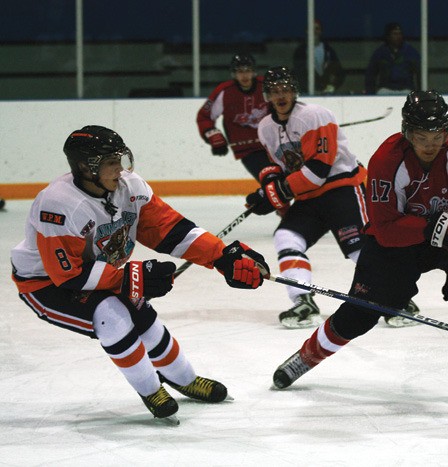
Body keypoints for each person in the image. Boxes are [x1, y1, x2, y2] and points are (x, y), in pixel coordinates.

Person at [272, 90, 448, 403]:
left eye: (437, 135)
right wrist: (429, 228)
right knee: (360, 313)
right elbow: (385, 228)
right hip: (395, 244)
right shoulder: (386, 159)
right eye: (421, 137)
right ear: (407, 134)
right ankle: (306, 357)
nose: (430, 144)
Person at [10, 125, 269, 420]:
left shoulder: (129, 188)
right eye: (110, 163)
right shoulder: (58, 204)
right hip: (45, 284)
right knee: (110, 314)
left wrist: (221, 257)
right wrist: (131, 277)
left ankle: (184, 379)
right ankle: (150, 389)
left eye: (120, 160)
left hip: (98, 273)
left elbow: (171, 231)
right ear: (85, 167)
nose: (119, 169)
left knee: (141, 312)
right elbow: (67, 275)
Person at [245, 66, 419, 329]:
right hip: (309, 197)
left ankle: (398, 300)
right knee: (286, 237)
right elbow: (278, 167)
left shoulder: (315, 116)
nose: (281, 95)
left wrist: (277, 193)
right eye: (275, 90)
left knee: (359, 249)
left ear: (295, 91)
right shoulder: (265, 127)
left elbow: (318, 170)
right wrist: (267, 188)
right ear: (267, 95)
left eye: (286, 89)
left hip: (342, 188)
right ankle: (302, 300)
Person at [196, 53, 271, 181]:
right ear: (234, 74)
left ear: (254, 72)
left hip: (274, 145)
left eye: (248, 70)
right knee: (271, 182)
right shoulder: (225, 92)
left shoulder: (266, 86)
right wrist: (211, 133)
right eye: (240, 71)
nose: (244, 75)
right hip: (249, 151)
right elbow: (204, 117)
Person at [364, 22, 420, 95]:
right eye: (395, 34)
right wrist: (370, 94)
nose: (398, 36)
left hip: (406, 90)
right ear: (388, 36)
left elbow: (420, 73)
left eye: (399, 33)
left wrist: (419, 93)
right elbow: (370, 75)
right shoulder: (380, 53)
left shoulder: (410, 52)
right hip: (385, 90)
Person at [292, 19, 345, 95]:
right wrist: (306, 90)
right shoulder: (300, 52)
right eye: (311, 29)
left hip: (327, 95)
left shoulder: (328, 50)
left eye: (317, 29)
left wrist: (331, 87)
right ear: (307, 31)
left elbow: (339, 73)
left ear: (321, 31)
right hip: (307, 95)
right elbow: (298, 74)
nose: (314, 31)